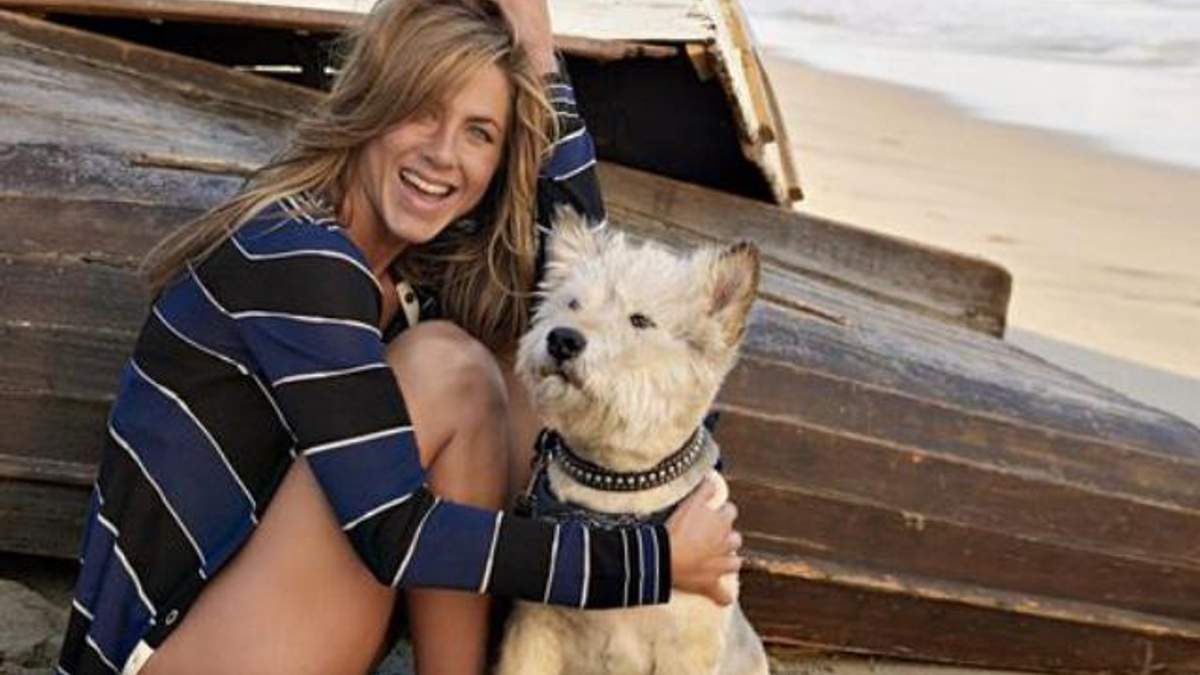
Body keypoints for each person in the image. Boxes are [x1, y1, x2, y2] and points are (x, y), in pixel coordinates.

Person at [56, 1, 742, 673]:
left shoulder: (411, 278)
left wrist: (539, 58)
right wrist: (652, 560)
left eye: (479, 133)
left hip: (257, 621)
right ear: (374, 104)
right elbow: (392, 531)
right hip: (164, 656)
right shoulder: (299, 256)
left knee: (521, 360)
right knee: (453, 371)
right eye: (423, 110)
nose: (443, 155)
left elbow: (583, 271)